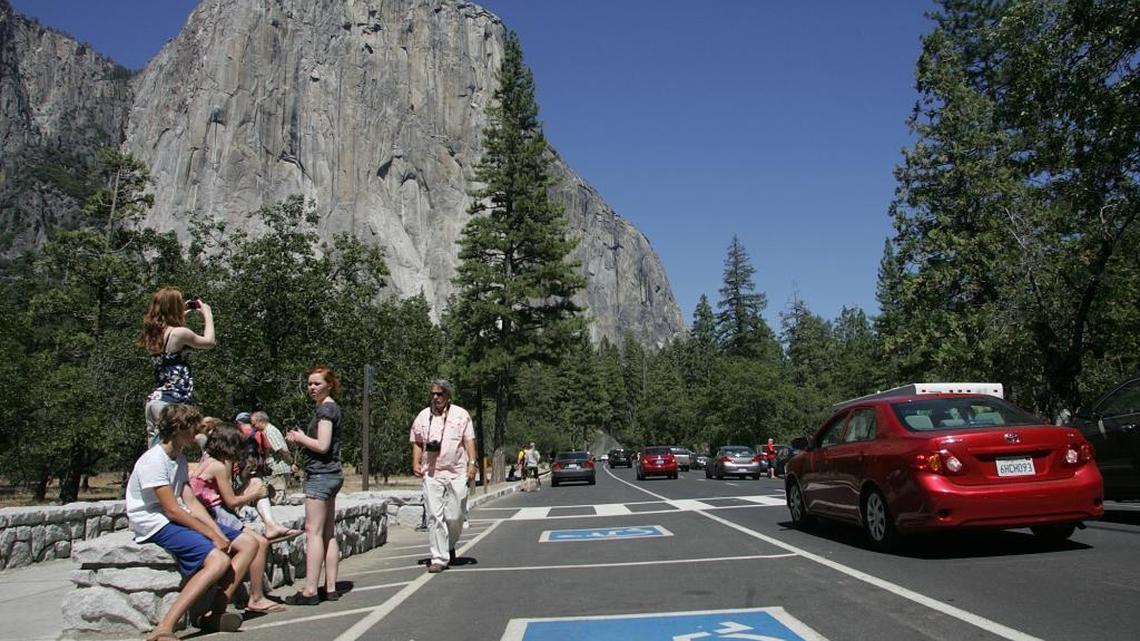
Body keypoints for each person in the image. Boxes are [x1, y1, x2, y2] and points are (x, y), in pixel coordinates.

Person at [126, 404, 257, 641]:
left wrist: (217, 532)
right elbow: (172, 510)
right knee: (218, 560)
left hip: (173, 516)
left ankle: (216, 612)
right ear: (178, 428)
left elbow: (191, 502)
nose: (197, 432)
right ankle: (165, 627)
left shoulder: (179, 459)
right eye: (193, 427)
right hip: (154, 522)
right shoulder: (154, 461)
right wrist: (212, 536)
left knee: (249, 544)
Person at [190, 424, 297, 615]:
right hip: (217, 514)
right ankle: (251, 598)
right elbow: (230, 501)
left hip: (212, 511)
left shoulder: (207, 460)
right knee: (259, 543)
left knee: (261, 542)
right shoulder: (219, 467)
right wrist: (254, 494)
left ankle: (256, 596)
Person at [284, 367, 344, 604]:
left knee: (314, 531)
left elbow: (322, 445)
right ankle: (331, 587)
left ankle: (310, 590)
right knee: (328, 532)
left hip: (321, 475)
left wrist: (300, 438)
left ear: (330, 385)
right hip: (332, 474)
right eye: (309, 384)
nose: (312, 388)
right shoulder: (329, 408)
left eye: (317, 383)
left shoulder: (326, 410)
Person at [409, 379, 476, 573]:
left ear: (448, 395)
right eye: (433, 394)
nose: (436, 397)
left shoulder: (461, 415)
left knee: (455, 515)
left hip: (457, 472)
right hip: (432, 473)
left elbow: (469, 441)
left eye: (439, 394)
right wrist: (415, 462)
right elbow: (417, 441)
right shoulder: (423, 416)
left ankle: (448, 545)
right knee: (435, 516)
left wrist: (472, 464)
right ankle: (438, 558)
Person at [139, 288, 215, 448]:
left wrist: (181, 315)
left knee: (154, 451)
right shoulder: (179, 334)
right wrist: (207, 314)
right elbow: (209, 342)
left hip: (155, 401)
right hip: (172, 402)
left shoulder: (152, 335)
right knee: (171, 451)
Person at [252, 411, 294, 502]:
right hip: (275, 469)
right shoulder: (266, 431)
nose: (254, 427)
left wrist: (292, 462)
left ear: (261, 421)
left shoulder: (270, 432)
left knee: (277, 498)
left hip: (278, 469)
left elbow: (281, 450)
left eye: (254, 424)